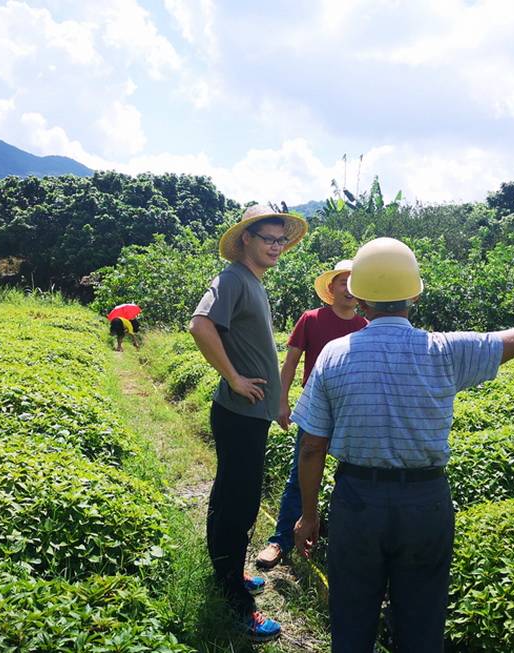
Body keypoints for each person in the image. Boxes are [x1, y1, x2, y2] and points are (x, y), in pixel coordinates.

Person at [292, 237, 514, 652]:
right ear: (414, 293)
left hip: (358, 502)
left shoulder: (334, 356)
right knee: (422, 617)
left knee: (352, 615)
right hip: (426, 502)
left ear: (358, 295)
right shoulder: (445, 350)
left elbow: (311, 447)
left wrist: (308, 516)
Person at [189, 204, 308, 642]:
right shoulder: (233, 279)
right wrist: (234, 377)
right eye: (268, 239)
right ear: (246, 241)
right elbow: (200, 325)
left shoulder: (252, 282)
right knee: (237, 505)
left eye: (281, 240)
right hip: (238, 413)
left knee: (229, 498)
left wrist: (275, 399)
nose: (277, 247)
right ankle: (238, 606)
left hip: (250, 413)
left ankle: (227, 576)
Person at [255, 259, 368, 570]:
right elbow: (290, 363)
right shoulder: (311, 319)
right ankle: (280, 540)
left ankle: (340, 541)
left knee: (352, 473)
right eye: (343, 282)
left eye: (355, 283)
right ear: (330, 288)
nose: (349, 289)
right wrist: (282, 402)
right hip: (314, 406)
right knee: (301, 474)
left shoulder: (364, 327)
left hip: (348, 409)